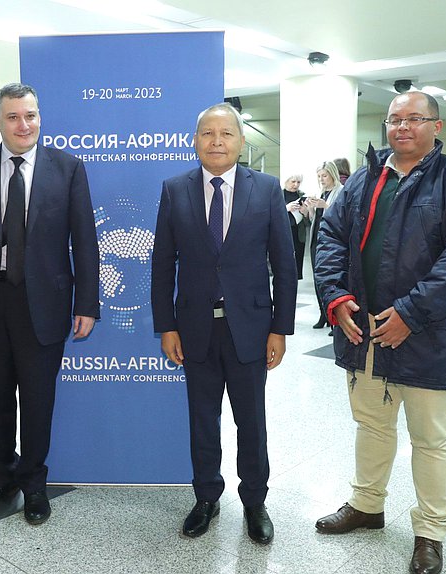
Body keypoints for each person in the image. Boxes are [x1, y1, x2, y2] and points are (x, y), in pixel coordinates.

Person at [313, 92, 446, 574]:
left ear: (437, 126)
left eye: (415, 119)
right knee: (371, 424)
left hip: (429, 334)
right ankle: (367, 504)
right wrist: (334, 296)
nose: (403, 127)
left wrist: (411, 313)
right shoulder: (362, 179)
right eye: (395, 119)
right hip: (364, 330)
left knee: (431, 438)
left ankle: (430, 532)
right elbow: (329, 237)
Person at [151, 102, 297, 545]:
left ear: (241, 141)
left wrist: (280, 327)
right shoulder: (175, 189)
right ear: (194, 141)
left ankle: (255, 501)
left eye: (226, 134)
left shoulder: (267, 189)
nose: (217, 141)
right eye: (207, 134)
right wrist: (167, 325)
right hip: (194, 327)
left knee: (251, 420)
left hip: (251, 327)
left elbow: (284, 264)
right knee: (202, 419)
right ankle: (206, 498)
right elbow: (162, 264)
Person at [0, 82, 100, 525]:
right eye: (14, 117)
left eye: (31, 115)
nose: (24, 125)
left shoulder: (68, 168)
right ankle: (1, 478)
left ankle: (35, 484)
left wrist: (87, 303)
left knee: (38, 400)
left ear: (40, 117)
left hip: (46, 302)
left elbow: (84, 240)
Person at [301, 160, 342, 331]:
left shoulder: (340, 191)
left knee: (331, 278)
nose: (322, 179)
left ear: (332, 174)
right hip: (316, 240)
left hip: (332, 241)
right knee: (318, 278)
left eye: (324, 176)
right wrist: (309, 209)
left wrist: (325, 206)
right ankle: (322, 314)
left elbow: (341, 215)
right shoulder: (322, 193)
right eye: (319, 177)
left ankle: (335, 319)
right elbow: (314, 219)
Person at [283, 174, 307, 279]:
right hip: (283, 231)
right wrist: (286, 208)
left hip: (298, 231)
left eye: (298, 182)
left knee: (297, 260)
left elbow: (308, 218)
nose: (296, 185)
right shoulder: (278, 194)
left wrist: (305, 211)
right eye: (293, 182)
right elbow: (271, 212)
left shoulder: (302, 195)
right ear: (286, 181)